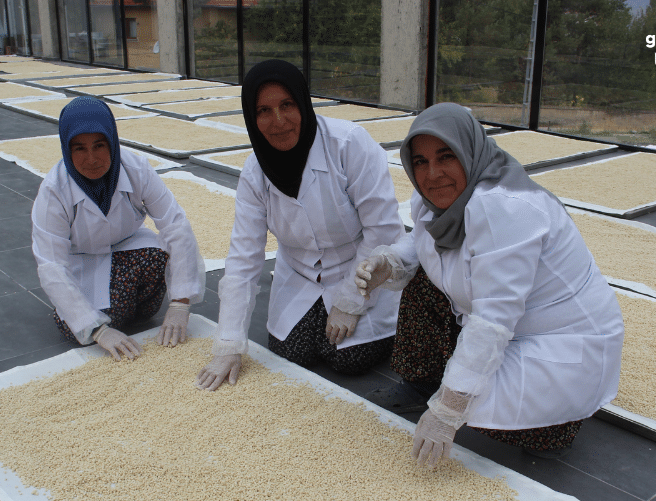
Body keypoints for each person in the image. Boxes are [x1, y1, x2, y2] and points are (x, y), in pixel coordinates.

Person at [355, 103, 624, 467]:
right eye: (420, 161)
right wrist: (388, 264)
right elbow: (420, 242)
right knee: (419, 278)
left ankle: (560, 424)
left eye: (445, 156)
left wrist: (448, 410)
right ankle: (420, 382)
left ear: (470, 151)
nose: (432, 174)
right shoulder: (434, 199)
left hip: (561, 337)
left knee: (479, 413)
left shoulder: (504, 209)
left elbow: (494, 317)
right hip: (514, 321)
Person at [195, 59, 404, 390]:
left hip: (363, 266)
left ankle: (393, 322)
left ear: (303, 102)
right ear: (251, 116)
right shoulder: (255, 172)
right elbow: (243, 258)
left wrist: (351, 299)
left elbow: (383, 230)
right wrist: (228, 344)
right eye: (264, 110)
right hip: (301, 272)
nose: (278, 121)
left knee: (346, 358)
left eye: (287, 105)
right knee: (292, 352)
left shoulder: (349, 145)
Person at [32, 96, 205, 360]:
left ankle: (130, 308)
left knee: (159, 256)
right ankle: (108, 317)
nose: (91, 159)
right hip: (81, 258)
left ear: (112, 141)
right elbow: (51, 265)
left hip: (127, 245)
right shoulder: (54, 191)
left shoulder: (136, 170)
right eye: (79, 148)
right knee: (79, 328)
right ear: (67, 149)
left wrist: (181, 301)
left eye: (99, 145)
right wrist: (98, 330)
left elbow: (175, 225)